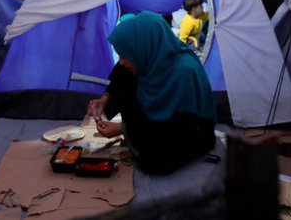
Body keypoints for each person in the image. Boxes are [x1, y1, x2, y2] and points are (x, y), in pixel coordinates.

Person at [87, 11, 217, 174]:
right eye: (119, 55)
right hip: (157, 126)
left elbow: (178, 128)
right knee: (125, 71)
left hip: (186, 132)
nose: (121, 61)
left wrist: (123, 129)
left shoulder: (184, 72)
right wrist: (105, 99)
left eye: (123, 55)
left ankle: (139, 138)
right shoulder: (150, 56)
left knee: (155, 162)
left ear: (145, 46)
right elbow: (119, 80)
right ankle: (138, 136)